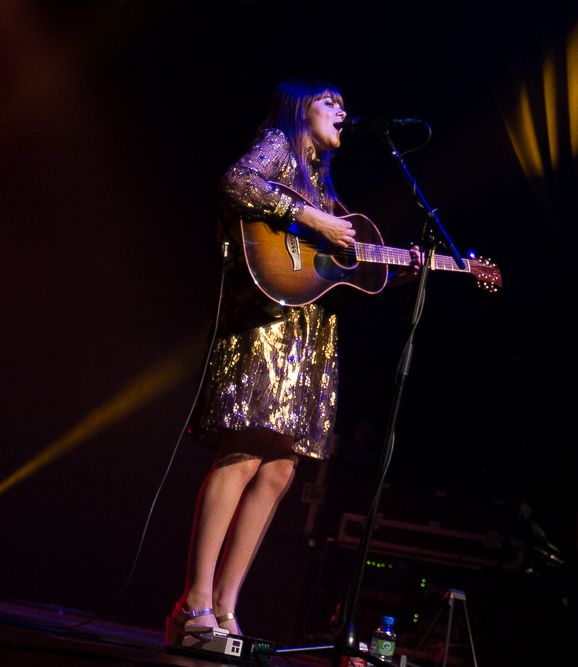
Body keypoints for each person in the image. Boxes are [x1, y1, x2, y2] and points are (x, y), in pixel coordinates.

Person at [166, 79, 411, 645]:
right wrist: (315, 219)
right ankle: (192, 604)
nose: (344, 110)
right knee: (246, 450)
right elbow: (236, 183)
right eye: (332, 101)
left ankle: (225, 609)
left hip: (306, 333)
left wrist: (406, 264)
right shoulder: (280, 143)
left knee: (280, 469)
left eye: (345, 103)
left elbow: (326, 269)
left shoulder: (323, 179)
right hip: (265, 326)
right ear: (302, 108)